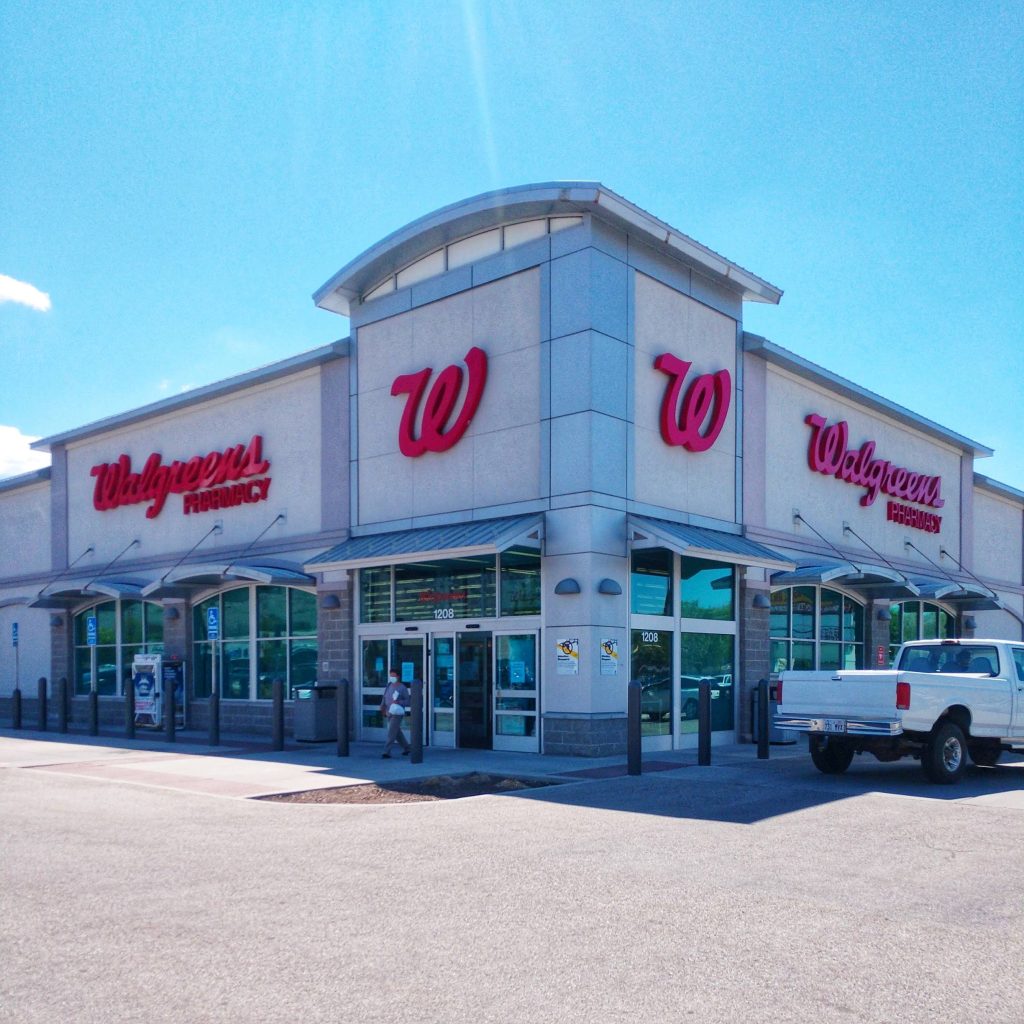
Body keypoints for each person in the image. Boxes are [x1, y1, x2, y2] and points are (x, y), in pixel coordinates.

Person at [380, 670, 411, 758]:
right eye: (391, 675)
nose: (392, 677)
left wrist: (399, 702)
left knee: (391, 732)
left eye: (393, 676)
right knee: (396, 732)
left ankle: (386, 751)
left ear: (398, 677)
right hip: (389, 711)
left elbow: (408, 701)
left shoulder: (402, 688)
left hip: (397, 712)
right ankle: (407, 748)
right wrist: (382, 706)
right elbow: (385, 697)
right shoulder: (389, 685)